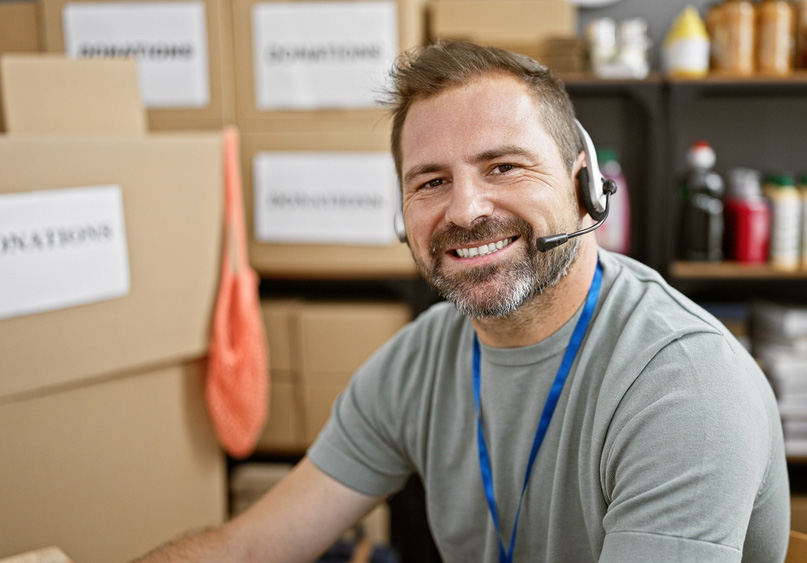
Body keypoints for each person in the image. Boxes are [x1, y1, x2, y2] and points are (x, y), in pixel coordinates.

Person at [137, 41, 790, 563]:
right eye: (430, 181)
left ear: (584, 188)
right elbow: (251, 545)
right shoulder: (422, 357)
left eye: (503, 166)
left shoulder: (683, 385)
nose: (464, 209)